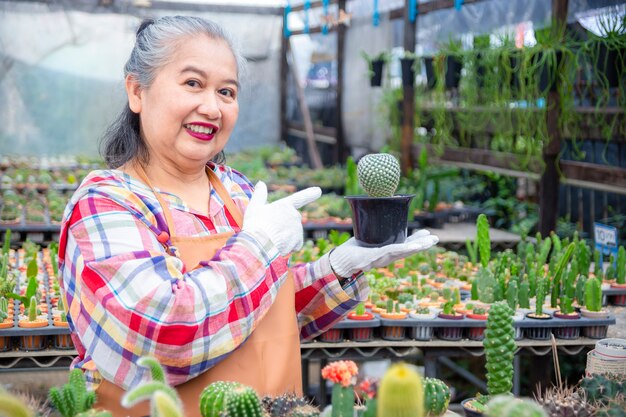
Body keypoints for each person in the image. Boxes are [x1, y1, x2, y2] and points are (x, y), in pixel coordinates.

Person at [57, 16, 439, 417]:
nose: (211, 107)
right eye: (192, 83)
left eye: (227, 91)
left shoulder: (237, 192)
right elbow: (164, 337)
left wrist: (338, 268)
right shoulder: (106, 202)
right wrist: (260, 246)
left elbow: (257, 312)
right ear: (137, 91)